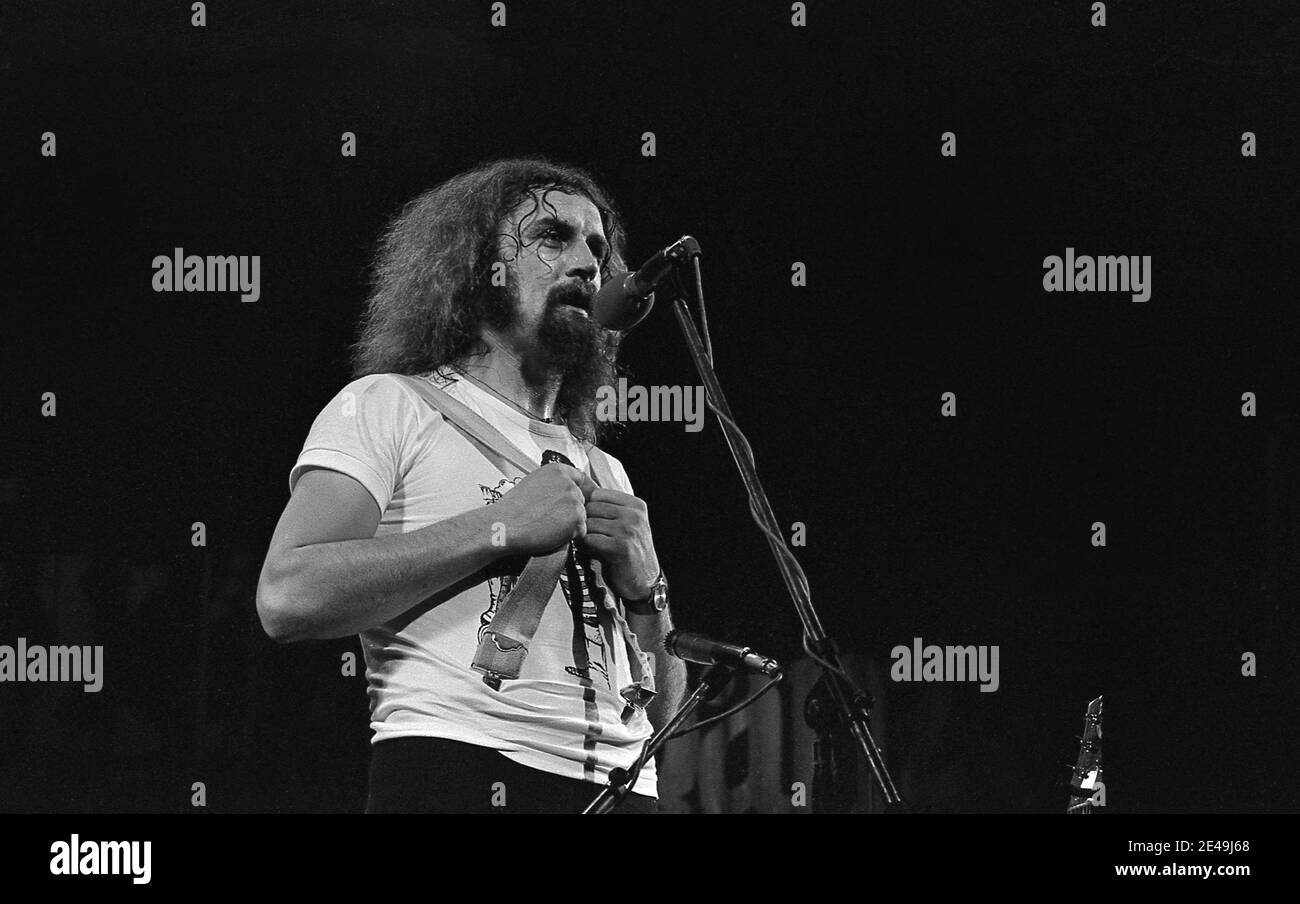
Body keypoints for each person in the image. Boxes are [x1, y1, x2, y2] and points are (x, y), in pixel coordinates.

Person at [255, 158, 684, 813]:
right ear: (482, 268)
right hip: (463, 767)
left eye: (597, 247)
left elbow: (660, 715)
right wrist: (500, 526)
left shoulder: (606, 471)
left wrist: (648, 593)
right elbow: (288, 597)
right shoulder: (392, 406)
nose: (587, 263)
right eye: (551, 236)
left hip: (627, 792)